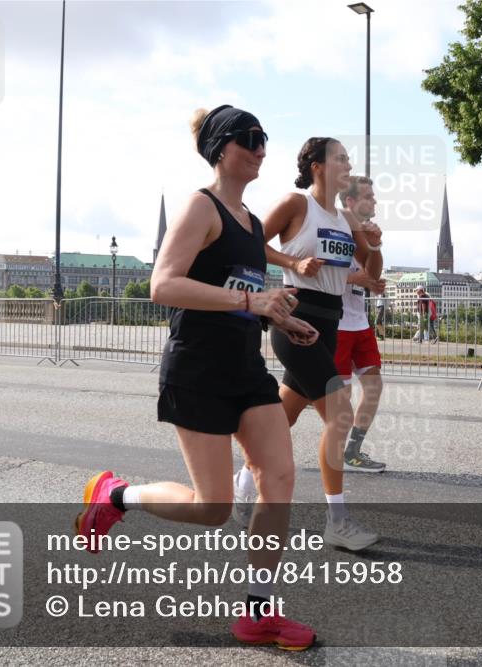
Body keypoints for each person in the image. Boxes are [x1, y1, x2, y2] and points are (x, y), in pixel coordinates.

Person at [74, 105, 319, 651]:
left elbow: (239, 297)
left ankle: (258, 612)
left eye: (264, 138)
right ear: (220, 148)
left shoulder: (253, 224)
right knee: (212, 508)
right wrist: (253, 300)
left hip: (246, 368)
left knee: (279, 477)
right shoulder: (200, 207)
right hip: (198, 369)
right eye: (250, 138)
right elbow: (162, 285)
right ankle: (117, 494)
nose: (260, 148)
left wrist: (278, 316)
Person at [234, 137, 382, 552]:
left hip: (330, 323)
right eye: (340, 158)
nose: (348, 165)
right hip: (295, 317)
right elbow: (250, 244)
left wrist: (373, 242)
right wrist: (293, 262)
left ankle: (243, 480)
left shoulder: (345, 217)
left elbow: (371, 272)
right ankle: (337, 520)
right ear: (317, 166)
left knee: (284, 415)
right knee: (340, 414)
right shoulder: (296, 204)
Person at [336, 176, 386, 473]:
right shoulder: (335, 225)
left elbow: (372, 275)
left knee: (374, 386)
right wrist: (356, 278)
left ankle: (352, 451)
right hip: (336, 325)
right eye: (368, 196)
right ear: (350, 201)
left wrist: (376, 246)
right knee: (337, 400)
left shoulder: (365, 232)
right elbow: (317, 271)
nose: (374, 201)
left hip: (358, 322)